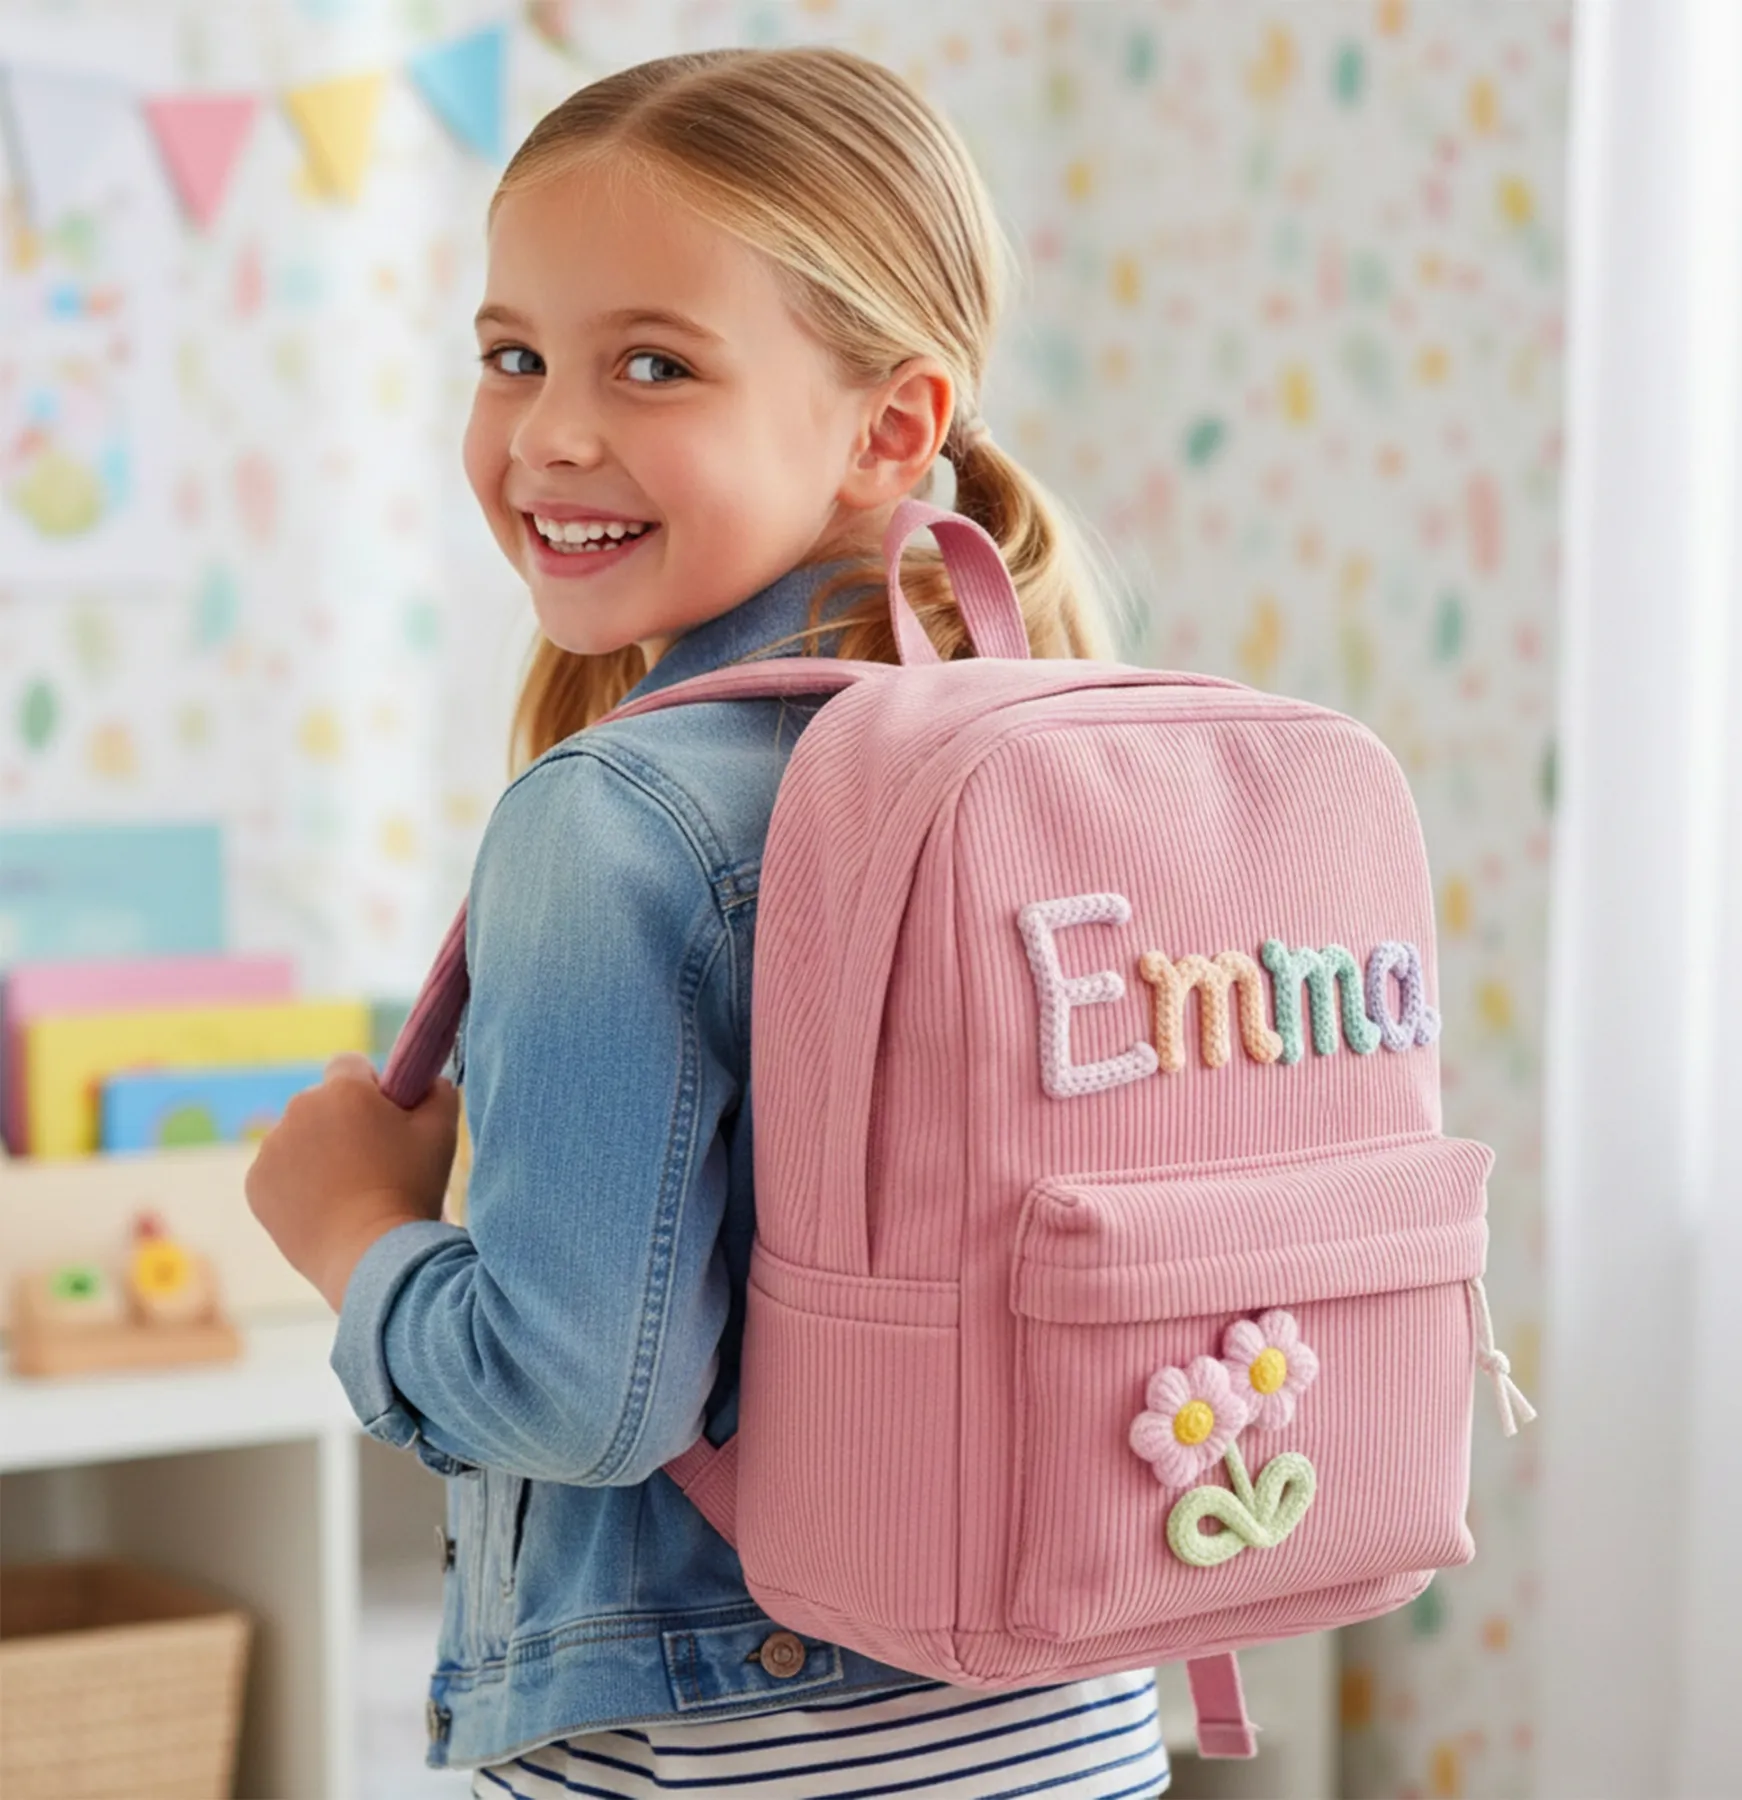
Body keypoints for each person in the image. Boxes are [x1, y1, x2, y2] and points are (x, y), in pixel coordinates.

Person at [247, 45, 1170, 1799]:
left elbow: (582, 1397)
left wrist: (350, 1234)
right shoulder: (1070, 745)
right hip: (1062, 1711)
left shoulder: (620, 820)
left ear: (892, 425)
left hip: (726, 1742)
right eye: (513, 356)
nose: (551, 433)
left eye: (652, 365)